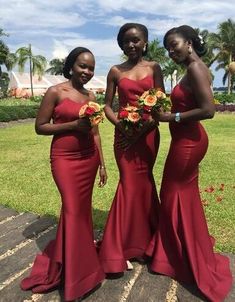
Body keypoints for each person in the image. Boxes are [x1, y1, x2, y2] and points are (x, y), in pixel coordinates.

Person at [146, 25, 232, 302]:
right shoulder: (194, 67)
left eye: (175, 45)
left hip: (189, 143)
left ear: (190, 43)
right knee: (184, 196)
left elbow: (209, 110)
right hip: (187, 141)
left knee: (172, 194)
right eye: (169, 47)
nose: (172, 51)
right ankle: (185, 246)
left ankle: (174, 255)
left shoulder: (195, 68)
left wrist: (174, 118)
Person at [20, 47, 107, 301]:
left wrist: (102, 163)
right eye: (82, 66)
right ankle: (77, 273)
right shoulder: (55, 92)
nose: (87, 72)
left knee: (82, 210)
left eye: (90, 68)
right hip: (65, 160)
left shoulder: (91, 95)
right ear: (71, 66)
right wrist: (72, 125)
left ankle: (80, 260)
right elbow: (40, 127)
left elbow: (95, 132)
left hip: (89, 159)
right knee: (72, 209)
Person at [98, 23, 165, 273]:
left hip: (147, 135)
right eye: (126, 41)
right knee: (128, 184)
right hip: (124, 137)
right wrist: (122, 126)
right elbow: (107, 105)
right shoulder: (115, 71)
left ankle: (149, 242)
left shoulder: (154, 68)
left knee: (145, 182)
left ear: (145, 42)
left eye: (136, 40)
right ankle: (123, 246)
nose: (131, 45)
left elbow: (161, 105)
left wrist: (141, 131)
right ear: (121, 44)